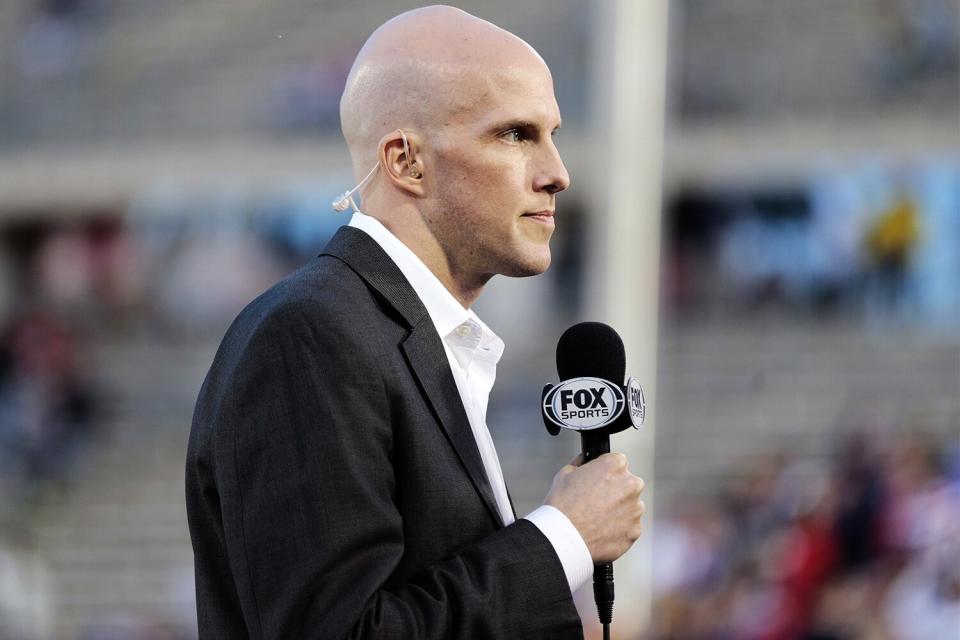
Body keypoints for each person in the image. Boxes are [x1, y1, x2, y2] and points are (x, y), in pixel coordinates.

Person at [185, 6, 646, 638]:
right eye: (515, 134)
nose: (557, 174)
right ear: (406, 161)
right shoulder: (311, 336)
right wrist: (562, 537)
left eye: (553, 134)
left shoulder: (395, 334)